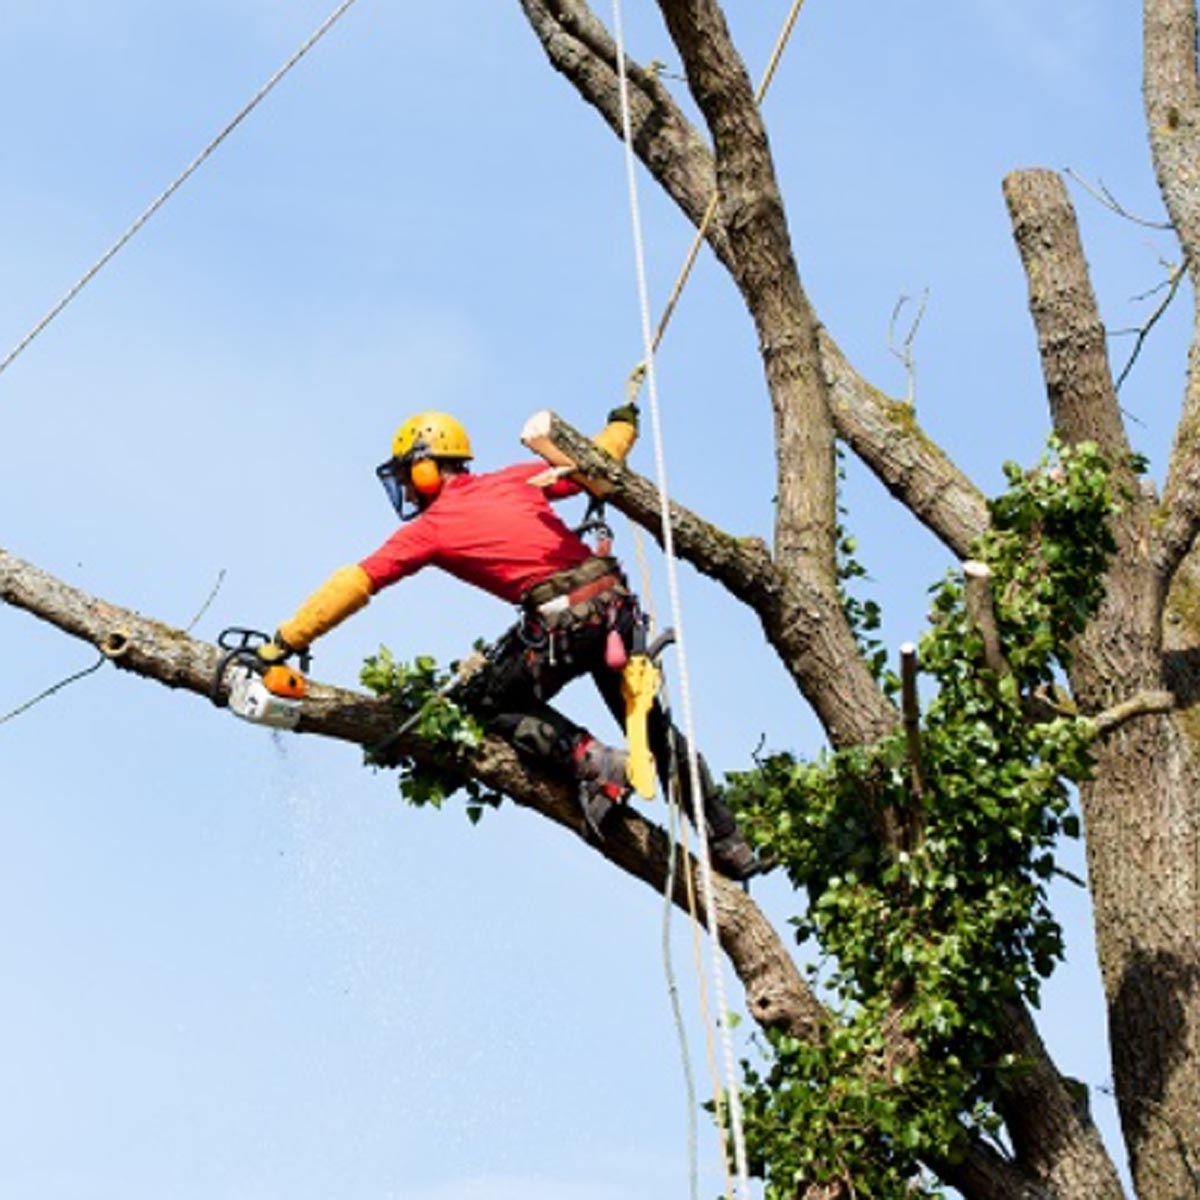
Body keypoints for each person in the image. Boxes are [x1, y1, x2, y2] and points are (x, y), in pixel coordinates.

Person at [259, 408, 766, 880]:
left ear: (425, 469)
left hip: (566, 624)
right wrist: (623, 424)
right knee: (654, 733)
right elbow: (596, 455)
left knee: (484, 702)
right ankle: (728, 842)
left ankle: (597, 763)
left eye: (408, 479)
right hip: (614, 609)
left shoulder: (431, 529)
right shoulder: (514, 480)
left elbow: (356, 582)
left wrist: (285, 640)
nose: (409, 496)